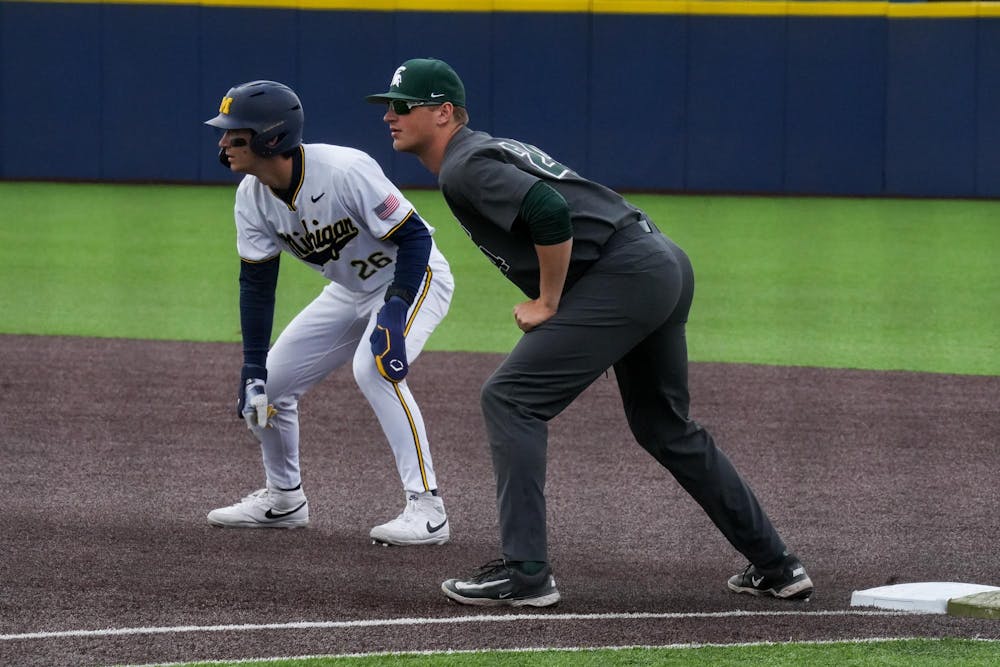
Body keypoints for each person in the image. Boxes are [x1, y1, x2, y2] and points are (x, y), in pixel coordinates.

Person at [366, 59, 814, 605]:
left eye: (403, 106)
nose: (389, 115)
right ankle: (778, 566)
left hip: (624, 273)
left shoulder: (464, 165)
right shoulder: (481, 150)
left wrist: (549, 300)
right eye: (387, 106)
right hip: (657, 260)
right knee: (663, 425)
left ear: (443, 114)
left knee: (510, 399)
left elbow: (549, 210)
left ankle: (526, 574)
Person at [203, 80, 454, 546]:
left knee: (375, 369)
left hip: (413, 277)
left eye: (234, 134)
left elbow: (415, 236)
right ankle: (284, 500)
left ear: (269, 138)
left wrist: (395, 311)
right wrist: (253, 364)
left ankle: (428, 509)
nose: (222, 143)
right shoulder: (251, 197)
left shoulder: (344, 169)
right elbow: (256, 284)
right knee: (271, 387)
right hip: (349, 290)